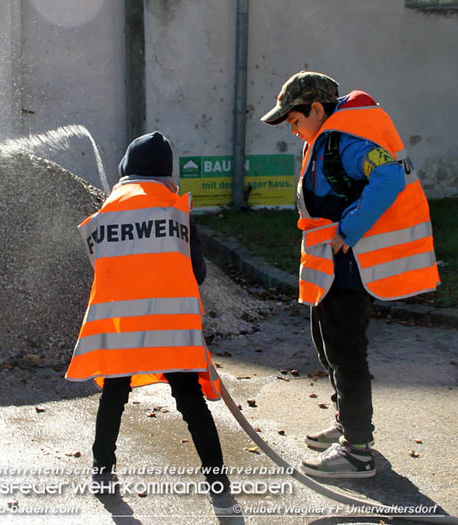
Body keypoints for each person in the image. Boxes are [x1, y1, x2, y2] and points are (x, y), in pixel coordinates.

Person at [260, 71, 440, 478]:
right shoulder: (331, 138)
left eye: (295, 120)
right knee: (329, 349)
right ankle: (347, 423)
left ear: (317, 109)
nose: (293, 130)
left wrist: (350, 229)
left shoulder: (344, 139)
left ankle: (357, 451)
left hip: (349, 269)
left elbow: (390, 176)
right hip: (331, 269)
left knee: (346, 355)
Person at [65, 131, 239, 515]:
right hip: (171, 324)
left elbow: (103, 266)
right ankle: (218, 481)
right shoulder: (176, 208)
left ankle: (102, 472)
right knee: (190, 401)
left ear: (128, 169)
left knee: (114, 395)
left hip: (121, 325)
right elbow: (197, 272)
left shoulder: (106, 210)